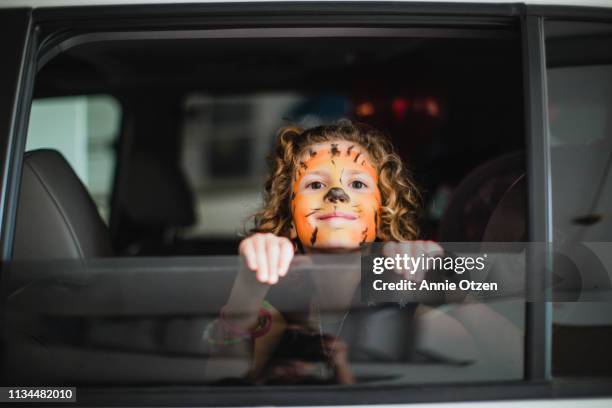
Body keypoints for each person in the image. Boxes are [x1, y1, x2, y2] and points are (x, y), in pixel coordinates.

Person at [205, 121, 479, 384]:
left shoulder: (411, 308)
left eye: (357, 184)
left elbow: (507, 356)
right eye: (315, 185)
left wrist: (445, 277)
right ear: (289, 220)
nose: (337, 195)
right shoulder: (275, 313)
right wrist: (247, 288)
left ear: (383, 216)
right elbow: (219, 383)